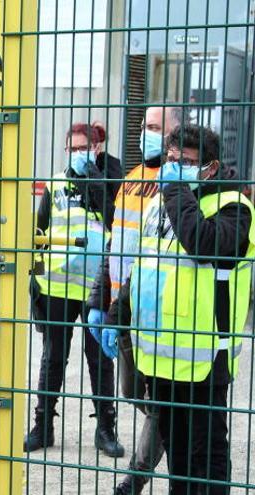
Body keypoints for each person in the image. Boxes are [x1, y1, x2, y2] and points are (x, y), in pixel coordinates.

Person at [104, 124, 252, 495]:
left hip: (204, 362)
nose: (174, 167)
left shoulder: (233, 206)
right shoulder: (163, 200)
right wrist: (115, 315)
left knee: (205, 462)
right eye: (171, 159)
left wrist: (175, 189)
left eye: (185, 162)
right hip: (161, 357)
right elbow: (145, 263)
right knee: (178, 463)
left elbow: (203, 243)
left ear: (211, 168)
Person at [88, 106, 184, 494]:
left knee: (159, 402)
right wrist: (100, 300)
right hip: (122, 308)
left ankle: (135, 478)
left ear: (176, 133)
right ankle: (177, 428)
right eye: (145, 126)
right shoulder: (130, 180)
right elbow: (116, 243)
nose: (147, 133)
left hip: (157, 311)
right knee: (136, 395)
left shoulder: (177, 182)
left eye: (157, 127)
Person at [25, 122, 125, 457]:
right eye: (73, 149)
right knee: (53, 357)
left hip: (98, 286)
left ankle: (106, 428)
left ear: (96, 150)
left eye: (84, 148)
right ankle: (43, 426)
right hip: (56, 286)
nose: (78, 154)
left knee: (99, 359)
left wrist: (98, 184)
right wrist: (34, 281)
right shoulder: (56, 183)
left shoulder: (111, 182)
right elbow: (39, 233)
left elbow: (119, 225)